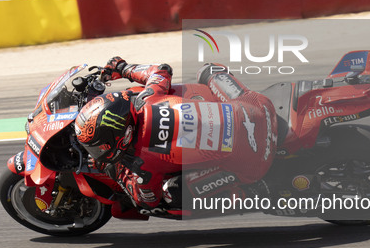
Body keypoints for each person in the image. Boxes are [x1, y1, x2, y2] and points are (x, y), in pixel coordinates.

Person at [74, 56, 278, 212]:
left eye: (97, 146)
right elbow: (162, 70)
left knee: (171, 194)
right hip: (257, 108)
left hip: (253, 163)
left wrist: (115, 172)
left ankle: (244, 194)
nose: (94, 151)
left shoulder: (142, 163)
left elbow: (147, 200)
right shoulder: (149, 98)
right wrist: (123, 68)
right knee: (209, 70)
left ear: (123, 136)